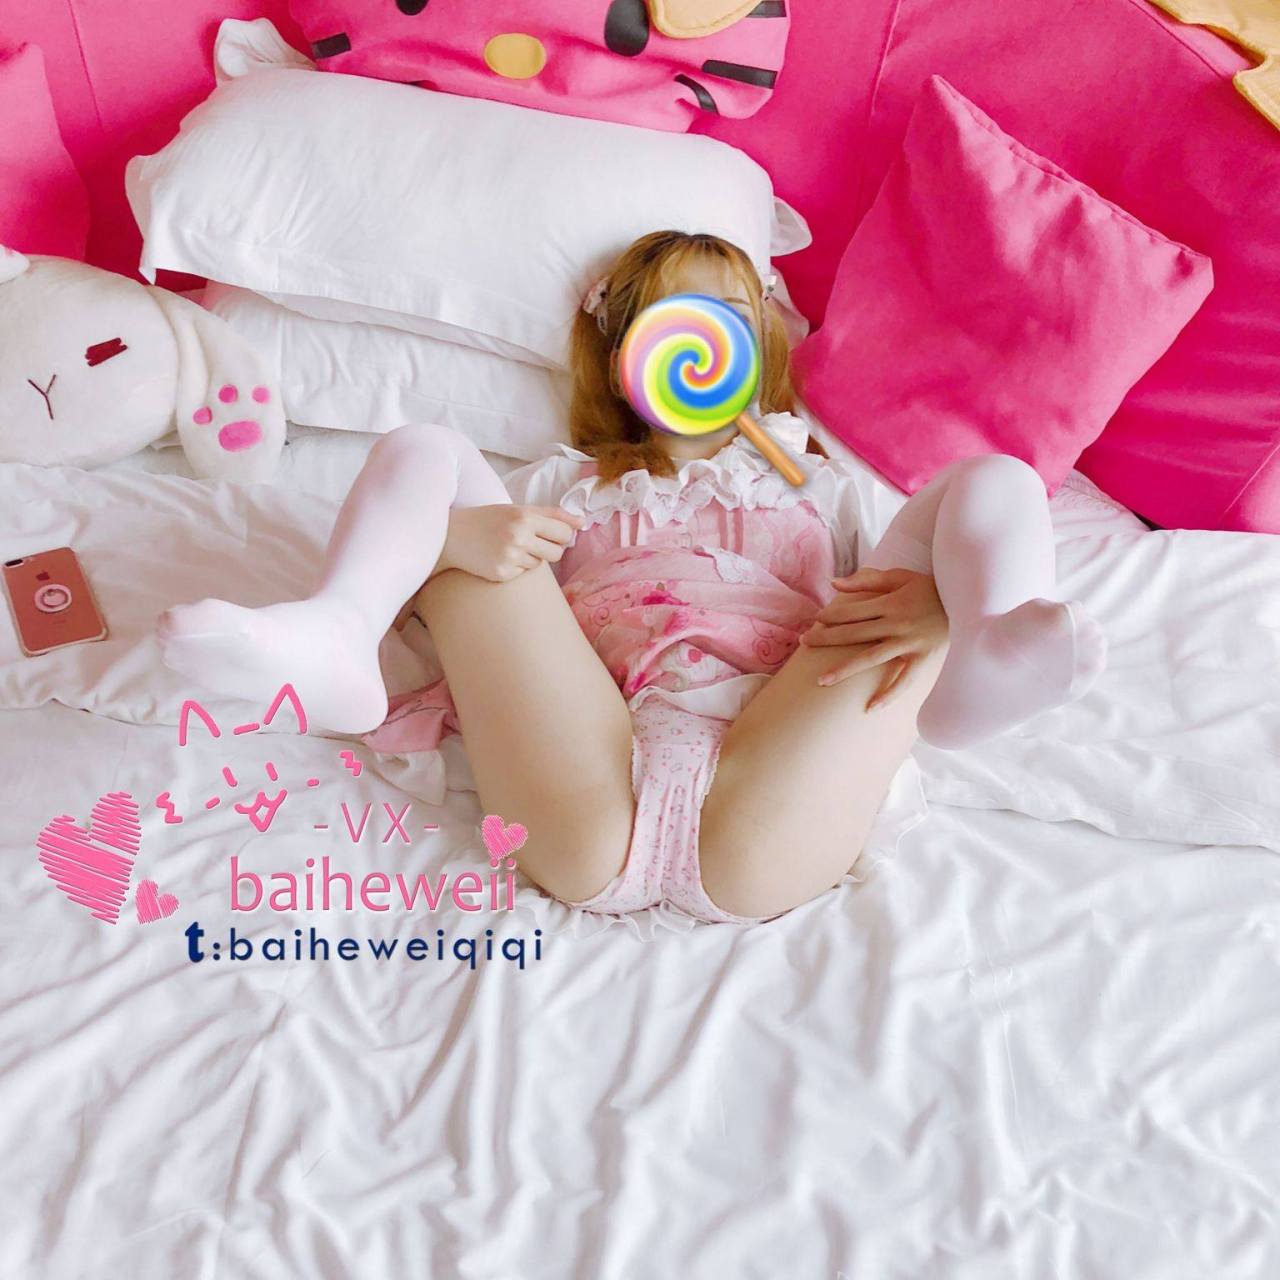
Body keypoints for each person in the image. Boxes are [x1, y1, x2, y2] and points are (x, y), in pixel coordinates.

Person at [158, 230, 1106, 928]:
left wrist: (937, 611)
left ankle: (983, 650)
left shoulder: (821, 484)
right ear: (623, 357)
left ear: (763, 345)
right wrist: (453, 543)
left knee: (994, 483)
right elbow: (480, 637)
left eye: (731, 316)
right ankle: (337, 626)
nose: (704, 337)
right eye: (672, 316)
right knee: (428, 456)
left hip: (775, 787)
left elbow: (914, 564)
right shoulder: (559, 483)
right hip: (588, 778)